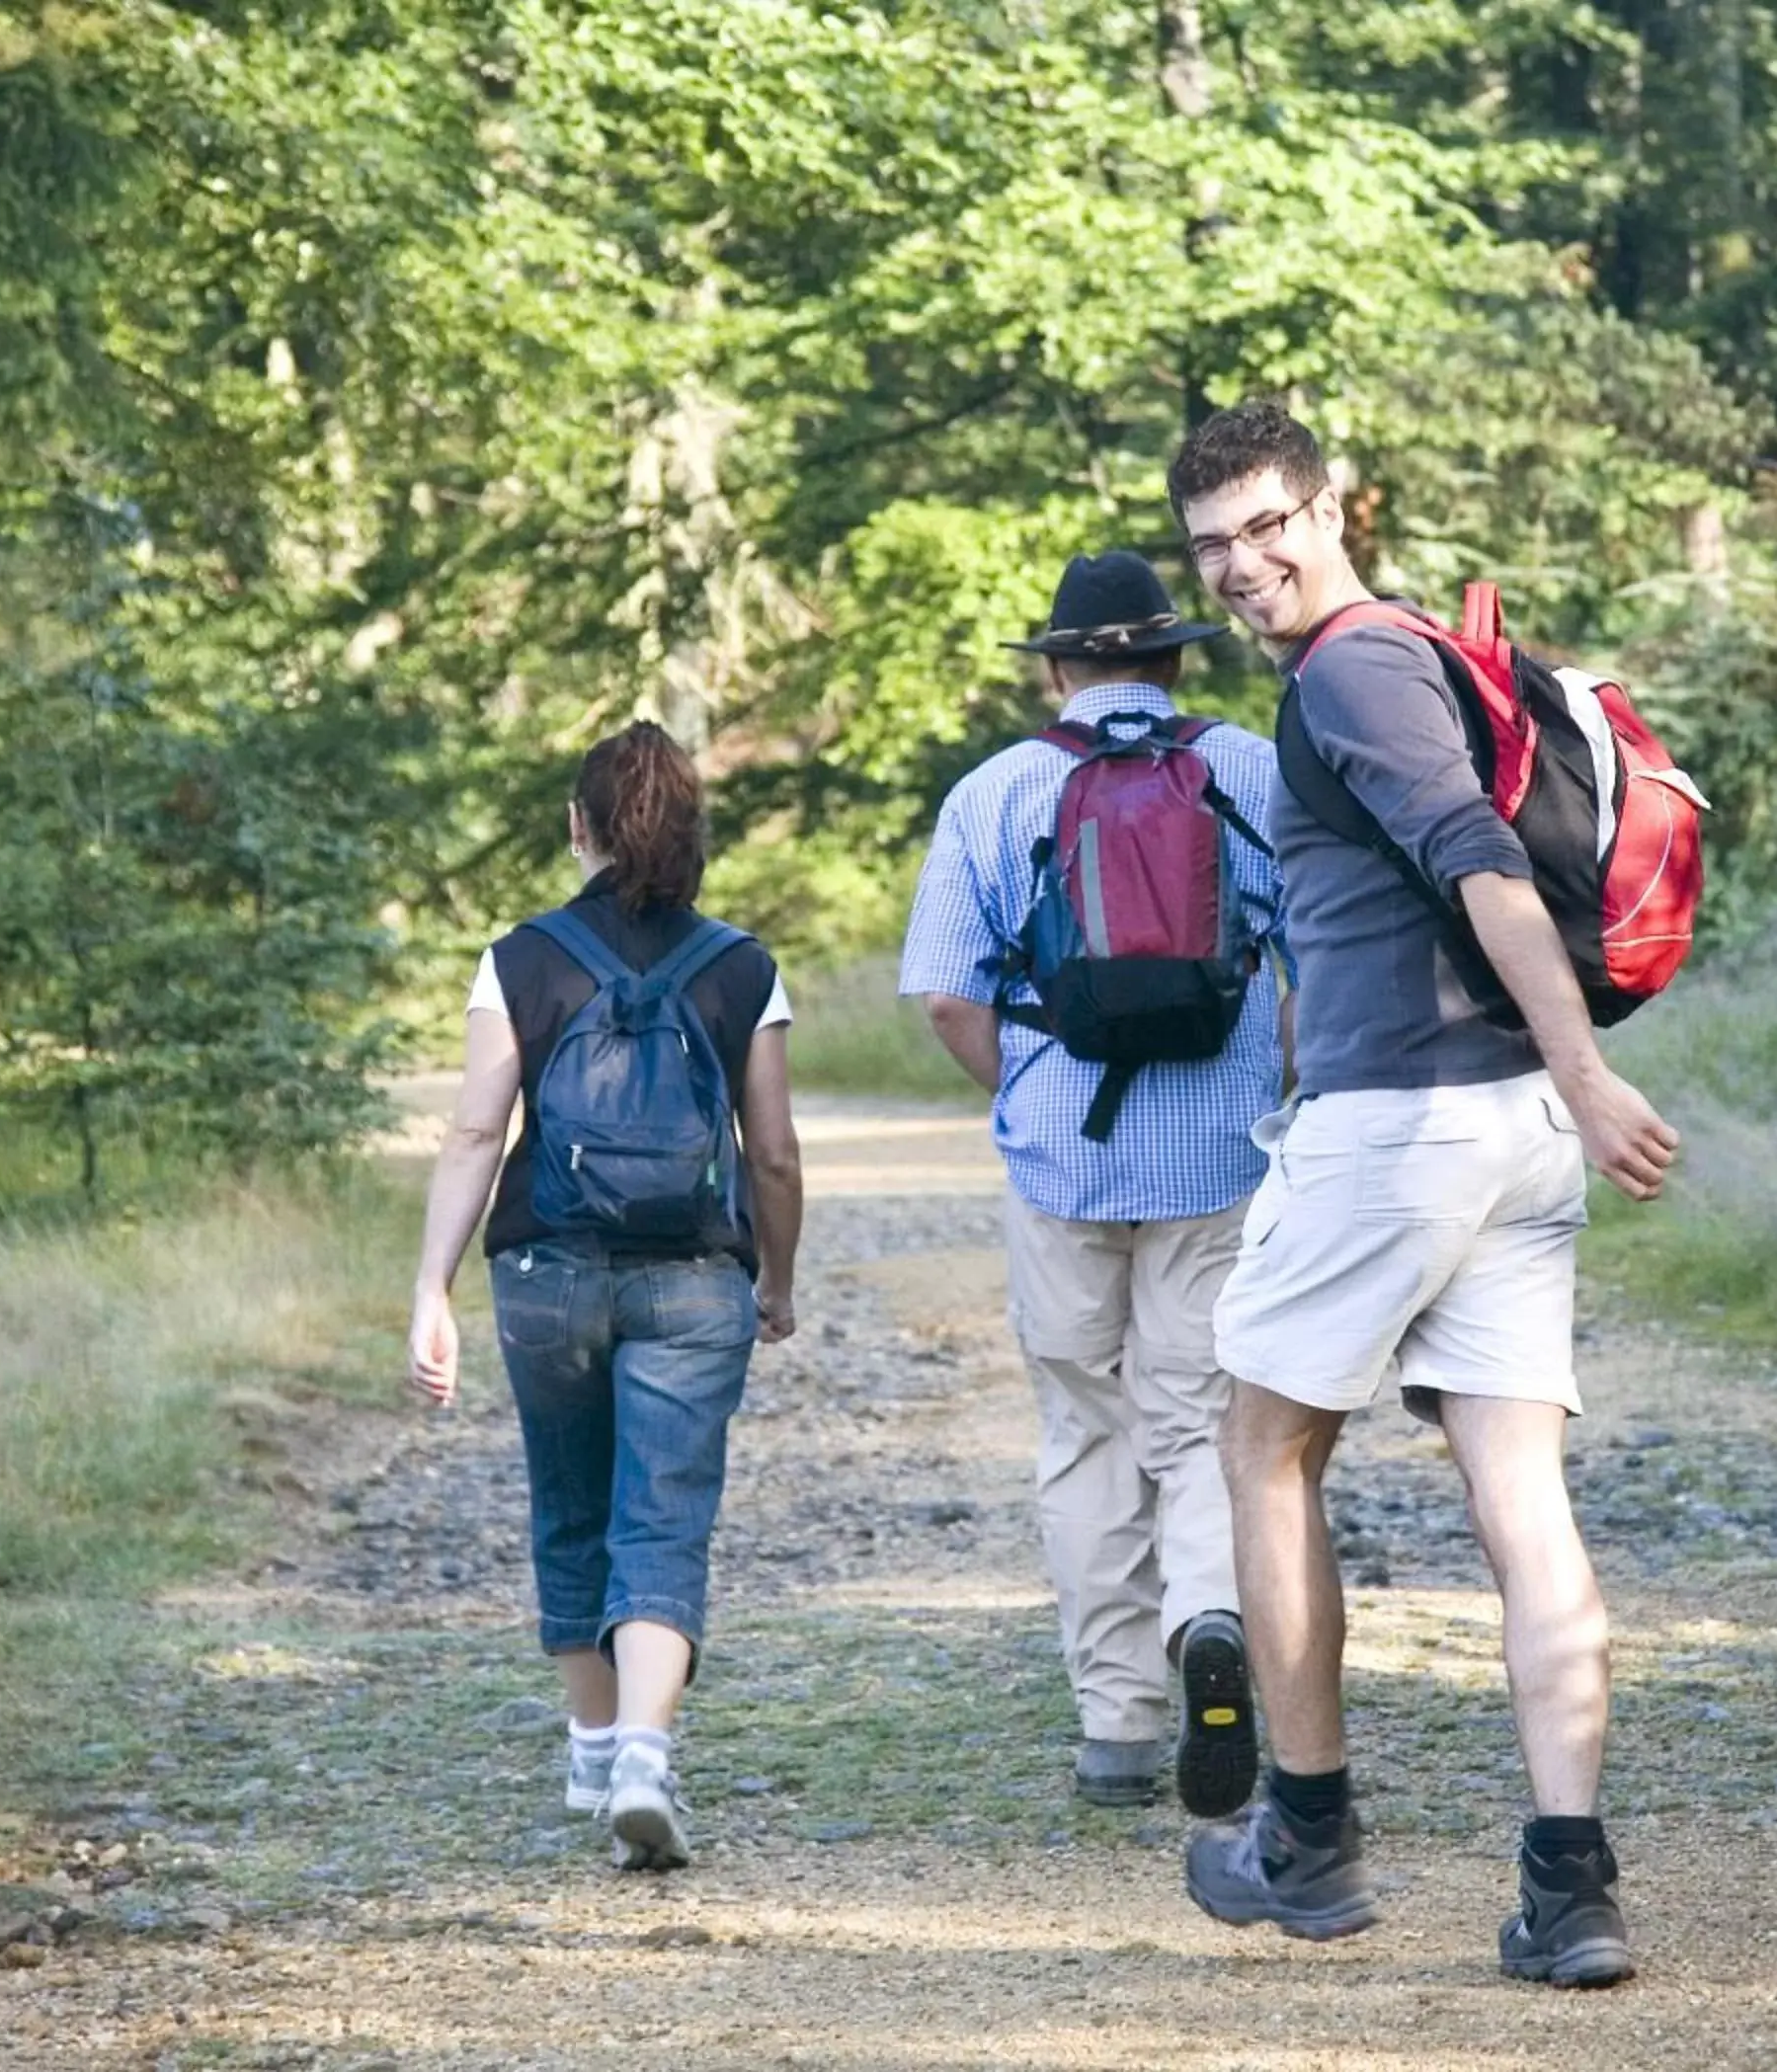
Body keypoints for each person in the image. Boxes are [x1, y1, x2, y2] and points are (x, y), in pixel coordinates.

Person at [1164, 403, 1681, 1985]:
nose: (1248, 564)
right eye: (1216, 546)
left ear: (1336, 507)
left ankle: (1305, 1836)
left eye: (1270, 525)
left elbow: (1476, 858)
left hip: (1411, 1128)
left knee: (1263, 1443)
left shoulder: (1355, 666)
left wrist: (1584, 1068)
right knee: (1517, 1491)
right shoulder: (1406, 656)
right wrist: (1555, 1088)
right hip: (1503, 1133)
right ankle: (1568, 1888)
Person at [898, 549, 1289, 1818]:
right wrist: (1265, 1090)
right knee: (1198, 1421)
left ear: (1061, 669)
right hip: (1220, 1158)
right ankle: (1210, 1620)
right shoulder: (1247, 772)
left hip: (1062, 1159)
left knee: (1085, 1428)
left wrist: (1022, 1094)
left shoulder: (998, 791)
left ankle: (1117, 1724)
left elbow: (950, 994)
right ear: (1172, 663)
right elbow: (1316, 965)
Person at [407, 720, 805, 1873]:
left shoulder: (518, 958)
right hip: (692, 1278)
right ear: (695, 837)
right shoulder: (742, 967)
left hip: (543, 1273)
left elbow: (481, 1125)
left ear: (576, 826)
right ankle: (643, 1752)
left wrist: (432, 1281)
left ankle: (590, 1741)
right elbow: (771, 1154)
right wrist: (774, 1278)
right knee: (664, 1515)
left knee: (570, 1499)